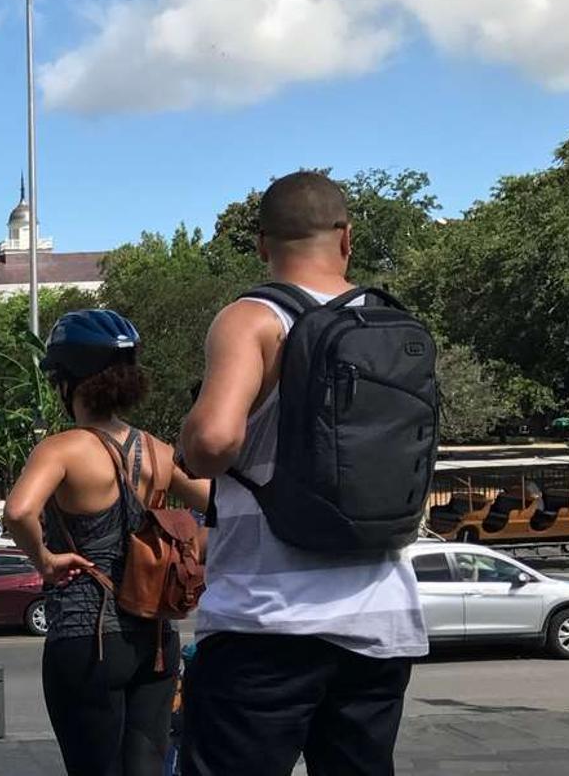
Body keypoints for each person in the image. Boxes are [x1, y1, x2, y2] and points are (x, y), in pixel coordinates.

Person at [177, 172, 428, 776]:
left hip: (267, 621)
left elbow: (212, 441)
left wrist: (186, 443)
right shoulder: (389, 325)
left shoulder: (253, 318)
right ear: (346, 238)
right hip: (379, 619)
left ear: (263, 244)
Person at [2, 310, 211, 776]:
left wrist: (45, 560)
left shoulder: (62, 449)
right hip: (155, 638)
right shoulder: (158, 451)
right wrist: (196, 548)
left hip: (87, 635)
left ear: (67, 383)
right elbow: (221, 505)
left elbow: (17, 512)